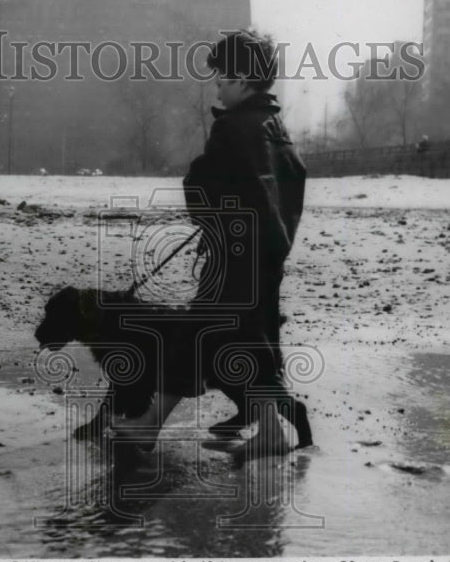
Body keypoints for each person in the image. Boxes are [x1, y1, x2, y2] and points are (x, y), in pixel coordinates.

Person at [113, 29, 313, 455]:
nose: (217, 84)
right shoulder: (273, 125)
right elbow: (286, 183)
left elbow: (206, 188)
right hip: (266, 255)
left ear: (242, 78)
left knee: (221, 340)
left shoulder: (234, 129)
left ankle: (263, 434)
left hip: (237, 258)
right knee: (218, 339)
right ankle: (157, 425)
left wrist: (215, 216)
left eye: (222, 77)